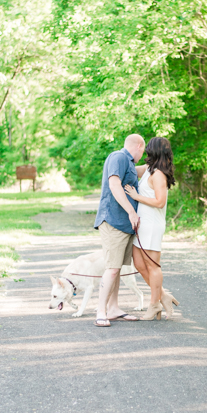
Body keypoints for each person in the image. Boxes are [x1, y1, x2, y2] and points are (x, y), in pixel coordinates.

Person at [93, 134, 146, 327]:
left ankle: (114, 309)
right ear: (139, 146)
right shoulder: (119, 157)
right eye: (144, 150)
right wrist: (132, 212)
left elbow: (141, 170)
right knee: (112, 268)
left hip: (124, 225)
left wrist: (158, 162)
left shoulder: (130, 164)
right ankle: (101, 311)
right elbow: (114, 185)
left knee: (117, 267)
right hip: (113, 221)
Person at [124, 137, 179, 320]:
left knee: (153, 266)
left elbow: (159, 201)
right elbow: (129, 168)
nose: (146, 151)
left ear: (154, 151)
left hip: (152, 225)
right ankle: (163, 296)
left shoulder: (159, 175)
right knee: (139, 264)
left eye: (148, 149)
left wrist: (136, 196)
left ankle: (154, 304)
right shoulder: (149, 170)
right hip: (142, 225)